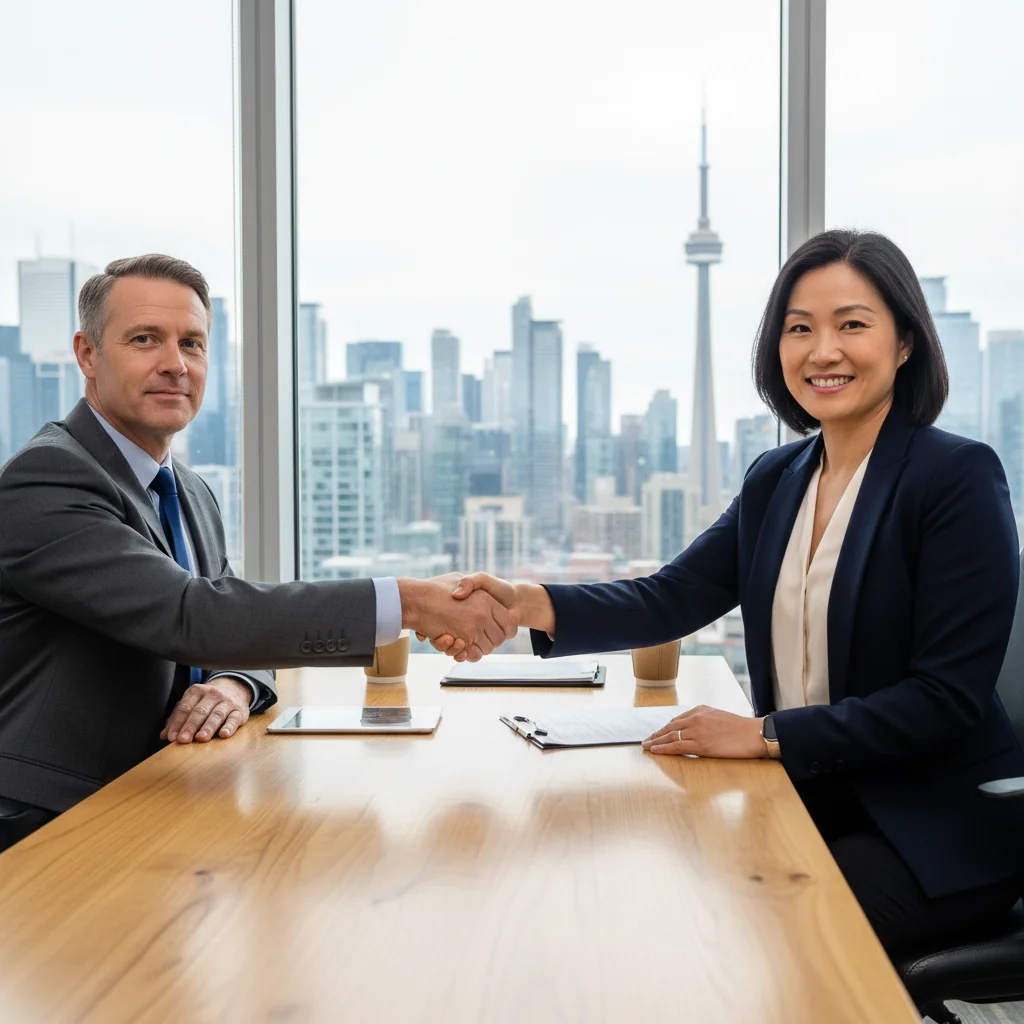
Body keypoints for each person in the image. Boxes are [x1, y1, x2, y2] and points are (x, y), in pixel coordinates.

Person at [434, 229, 1024, 955]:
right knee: (658, 884)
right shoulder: (776, 478)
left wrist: (765, 733)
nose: (823, 351)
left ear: (905, 343)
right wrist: (528, 603)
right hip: (812, 794)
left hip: (933, 824)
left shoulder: (955, 477)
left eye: (852, 325)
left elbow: (944, 698)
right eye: (799, 329)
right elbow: (672, 597)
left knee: (768, 930)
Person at [0, 254, 514, 852]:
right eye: (145, 339)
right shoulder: (48, 479)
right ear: (87, 354)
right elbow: (194, 616)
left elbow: (238, 627)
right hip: (51, 822)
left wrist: (234, 685)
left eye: (192, 344)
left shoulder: (189, 491)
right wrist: (411, 602)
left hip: (163, 798)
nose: (174, 364)